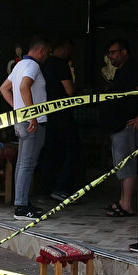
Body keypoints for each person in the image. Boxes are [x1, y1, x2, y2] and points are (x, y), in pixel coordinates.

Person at [0, 36, 50, 220]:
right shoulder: (33, 66)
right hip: (30, 123)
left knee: (22, 163)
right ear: (41, 51)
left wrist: (18, 108)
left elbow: (4, 88)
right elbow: (23, 87)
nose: (46, 56)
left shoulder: (19, 65)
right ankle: (21, 206)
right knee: (27, 164)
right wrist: (32, 114)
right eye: (47, 53)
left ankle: (23, 202)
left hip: (21, 120)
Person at [103, 38, 138, 218]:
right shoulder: (121, 71)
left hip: (126, 124)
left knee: (126, 162)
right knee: (120, 163)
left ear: (124, 52)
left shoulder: (133, 69)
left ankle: (126, 204)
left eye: (113, 52)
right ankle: (122, 200)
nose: (110, 56)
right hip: (117, 124)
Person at [38, 38, 78, 202]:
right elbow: (69, 91)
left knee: (48, 152)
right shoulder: (61, 65)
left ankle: (44, 191)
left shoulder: (43, 65)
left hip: (46, 115)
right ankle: (61, 187)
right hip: (61, 116)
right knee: (72, 149)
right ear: (65, 48)